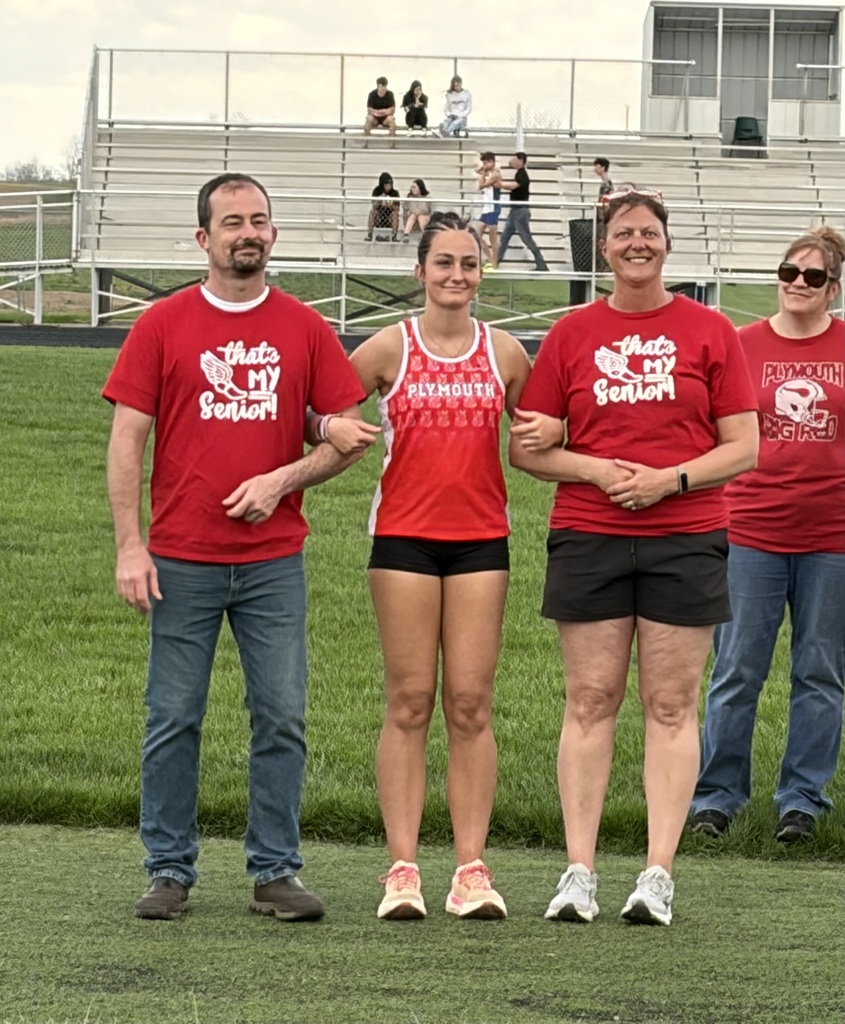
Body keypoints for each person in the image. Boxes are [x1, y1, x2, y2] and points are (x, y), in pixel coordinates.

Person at [102, 172, 376, 923]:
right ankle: (168, 869)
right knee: (173, 717)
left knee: (281, 714)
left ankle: (275, 871)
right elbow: (127, 438)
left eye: (258, 219)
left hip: (271, 562)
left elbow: (348, 433)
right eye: (231, 222)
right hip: (182, 557)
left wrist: (282, 478)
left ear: (273, 234)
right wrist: (132, 547)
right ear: (204, 238)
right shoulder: (162, 324)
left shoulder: (304, 327)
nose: (246, 232)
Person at [509, 186, 759, 926]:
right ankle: (577, 871)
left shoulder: (710, 330)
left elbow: (743, 445)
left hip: (685, 536)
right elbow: (532, 451)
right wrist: (594, 469)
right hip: (588, 533)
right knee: (589, 701)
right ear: (604, 248)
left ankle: (656, 874)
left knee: (670, 703)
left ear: (666, 245)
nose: (636, 244)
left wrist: (669, 480)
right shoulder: (570, 333)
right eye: (623, 234)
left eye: (648, 233)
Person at [325, 211, 555, 922]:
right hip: (402, 540)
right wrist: (324, 428)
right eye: (444, 263)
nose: (457, 276)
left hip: (482, 542)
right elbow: (319, 408)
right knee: (408, 701)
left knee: (470, 705)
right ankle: (401, 871)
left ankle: (470, 871)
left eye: (469, 264)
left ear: (481, 274)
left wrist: (560, 430)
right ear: (419, 272)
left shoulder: (506, 353)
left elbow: (542, 431)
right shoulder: (386, 349)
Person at [691, 227, 845, 844]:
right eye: (788, 272)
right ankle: (716, 797)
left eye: (812, 276)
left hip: (832, 534)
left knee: (821, 672)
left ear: (833, 287)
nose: (797, 284)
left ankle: (802, 801)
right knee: (736, 671)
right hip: (750, 528)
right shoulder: (739, 343)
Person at [497, 152, 549, 272]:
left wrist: (499, 184)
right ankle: (496, 261)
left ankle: (542, 264)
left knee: (527, 239)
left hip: (520, 211)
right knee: (505, 237)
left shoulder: (522, 175)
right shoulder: (519, 174)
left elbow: (512, 186)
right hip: (515, 210)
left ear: (521, 161)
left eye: (515, 159)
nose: (512, 162)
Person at [474, 151, 502, 272]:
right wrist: (483, 169)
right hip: (486, 208)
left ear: (492, 162)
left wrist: (484, 172)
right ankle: (490, 259)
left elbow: (481, 186)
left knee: (493, 238)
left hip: (493, 207)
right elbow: (476, 171)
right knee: (477, 234)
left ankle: (494, 263)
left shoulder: (495, 174)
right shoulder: (487, 172)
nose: (484, 165)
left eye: (486, 162)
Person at [366, 171, 400, 241]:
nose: (388, 186)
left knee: (395, 214)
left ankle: (394, 235)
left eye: (390, 184)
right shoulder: (377, 191)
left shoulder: (395, 193)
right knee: (372, 212)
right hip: (379, 216)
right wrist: (380, 200)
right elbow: (374, 206)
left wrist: (391, 204)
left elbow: (397, 208)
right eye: (386, 184)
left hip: (389, 217)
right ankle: (370, 234)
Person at [364, 76, 397, 146]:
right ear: (378, 87)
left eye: (384, 87)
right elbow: (370, 110)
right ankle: (366, 142)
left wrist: (379, 112)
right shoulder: (372, 94)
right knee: (368, 118)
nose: (383, 89)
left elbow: (392, 110)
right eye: (381, 87)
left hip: (386, 118)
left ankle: (392, 143)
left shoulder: (390, 94)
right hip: (375, 118)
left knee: (392, 120)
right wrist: (382, 111)